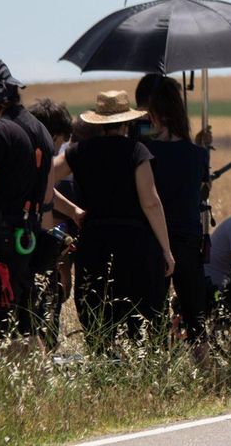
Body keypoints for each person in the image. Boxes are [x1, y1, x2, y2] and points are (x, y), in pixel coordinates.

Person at [52, 90, 174, 350]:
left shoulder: (78, 151)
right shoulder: (136, 151)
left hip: (94, 242)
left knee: (98, 318)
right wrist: (166, 249)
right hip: (134, 244)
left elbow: (43, 179)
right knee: (139, 317)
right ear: (127, 122)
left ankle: (104, 373)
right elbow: (150, 202)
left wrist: (73, 210)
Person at [137, 75, 211, 345]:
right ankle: (205, 373)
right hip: (189, 240)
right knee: (196, 316)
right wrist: (202, 147)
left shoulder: (143, 152)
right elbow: (202, 191)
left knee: (152, 314)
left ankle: (156, 371)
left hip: (153, 240)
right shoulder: (198, 154)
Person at [0, 60, 55, 346]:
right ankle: (36, 386)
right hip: (29, 237)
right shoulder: (41, 131)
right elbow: (49, 195)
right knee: (25, 320)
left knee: (0, 321)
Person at [27, 98, 76, 350]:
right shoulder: (36, 157)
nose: (58, 151)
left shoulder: (24, 153)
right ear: (53, 136)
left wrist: (75, 212)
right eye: (59, 143)